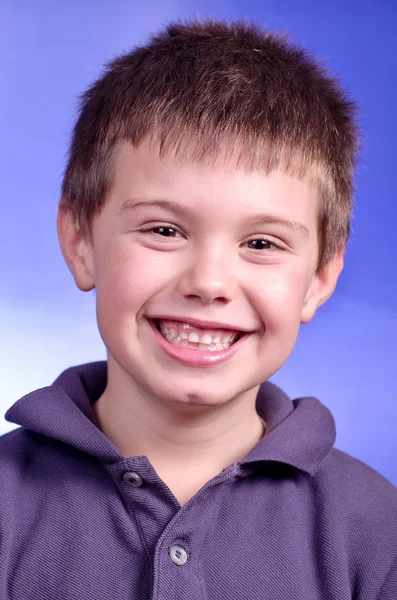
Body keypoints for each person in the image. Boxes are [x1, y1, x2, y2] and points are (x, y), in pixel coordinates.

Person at [1, 18, 396, 599]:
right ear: (81, 240)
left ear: (318, 278)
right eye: (164, 230)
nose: (209, 282)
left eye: (261, 243)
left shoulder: (376, 530)